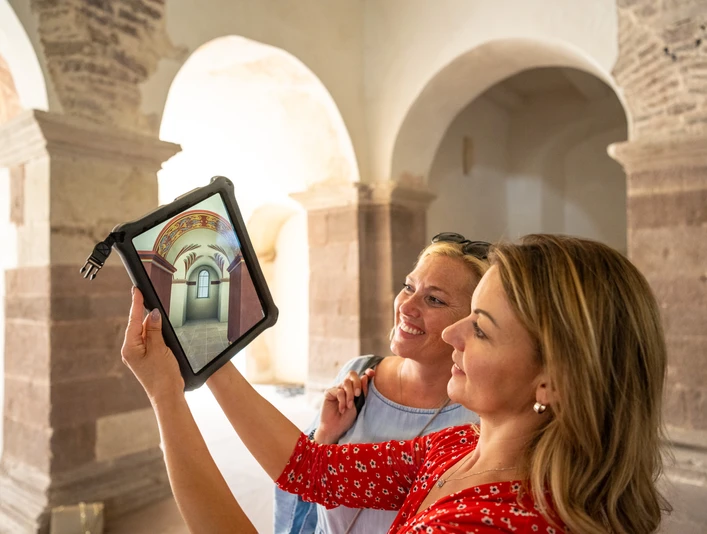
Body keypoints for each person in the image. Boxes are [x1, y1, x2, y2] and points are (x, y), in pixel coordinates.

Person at [122, 234, 671, 533]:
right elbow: (313, 472)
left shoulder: (486, 521)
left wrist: (166, 398)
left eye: (479, 327)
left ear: (552, 381)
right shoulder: (466, 447)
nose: (452, 332)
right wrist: (207, 357)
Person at [274, 234, 489, 534]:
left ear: (470, 324)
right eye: (408, 287)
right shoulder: (360, 372)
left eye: (434, 300)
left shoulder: (478, 419)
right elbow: (303, 487)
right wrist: (325, 434)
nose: (407, 306)